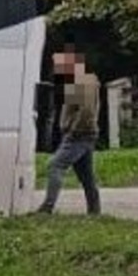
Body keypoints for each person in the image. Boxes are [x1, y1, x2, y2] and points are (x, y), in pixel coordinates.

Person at [36, 48, 101, 215]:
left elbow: (86, 111)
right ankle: (95, 211)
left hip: (79, 134)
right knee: (86, 176)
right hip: (84, 133)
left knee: (55, 165)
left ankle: (47, 207)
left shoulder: (83, 82)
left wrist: (73, 129)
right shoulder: (79, 81)